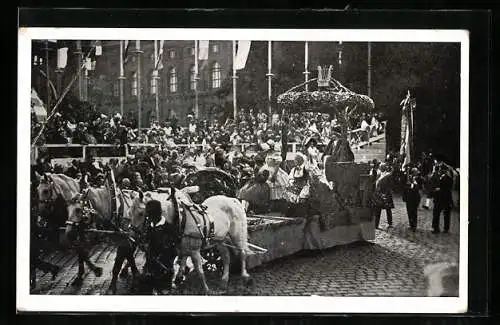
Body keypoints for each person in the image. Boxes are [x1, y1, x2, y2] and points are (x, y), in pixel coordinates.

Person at [431, 162, 453, 234]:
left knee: (445, 213)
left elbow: (449, 187)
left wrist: (440, 189)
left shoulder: (448, 177)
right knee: (436, 213)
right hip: (439, 197)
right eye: (440, 169)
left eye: (442, 169)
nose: (440, 171)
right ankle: (436, 228)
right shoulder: (437, 175)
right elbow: (433, 183)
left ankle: (446, 228)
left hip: (445, 197)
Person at [372, 163, 394, 229]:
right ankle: (376, 224)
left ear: (385, 168)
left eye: (382, 167)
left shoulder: (388, 175)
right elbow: (375, 184)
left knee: (388, 209)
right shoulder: (378, 175)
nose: (380, 168)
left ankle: (390, 223)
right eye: (380, 167)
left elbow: (390, 185)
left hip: (386, 194)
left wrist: (386, 194)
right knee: (377, 210)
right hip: (378, 194)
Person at [403, 167, 423, 231]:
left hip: (415, 197)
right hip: (408, 197)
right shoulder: (408, 178)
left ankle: (414, 225)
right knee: (409, 211)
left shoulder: (419, 178)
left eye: (416, 172)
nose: (416, 173)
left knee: (414, 211)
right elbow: (404, 187)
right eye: (415, 172)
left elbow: (418, 187)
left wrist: (412, 183)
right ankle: (411, 224)